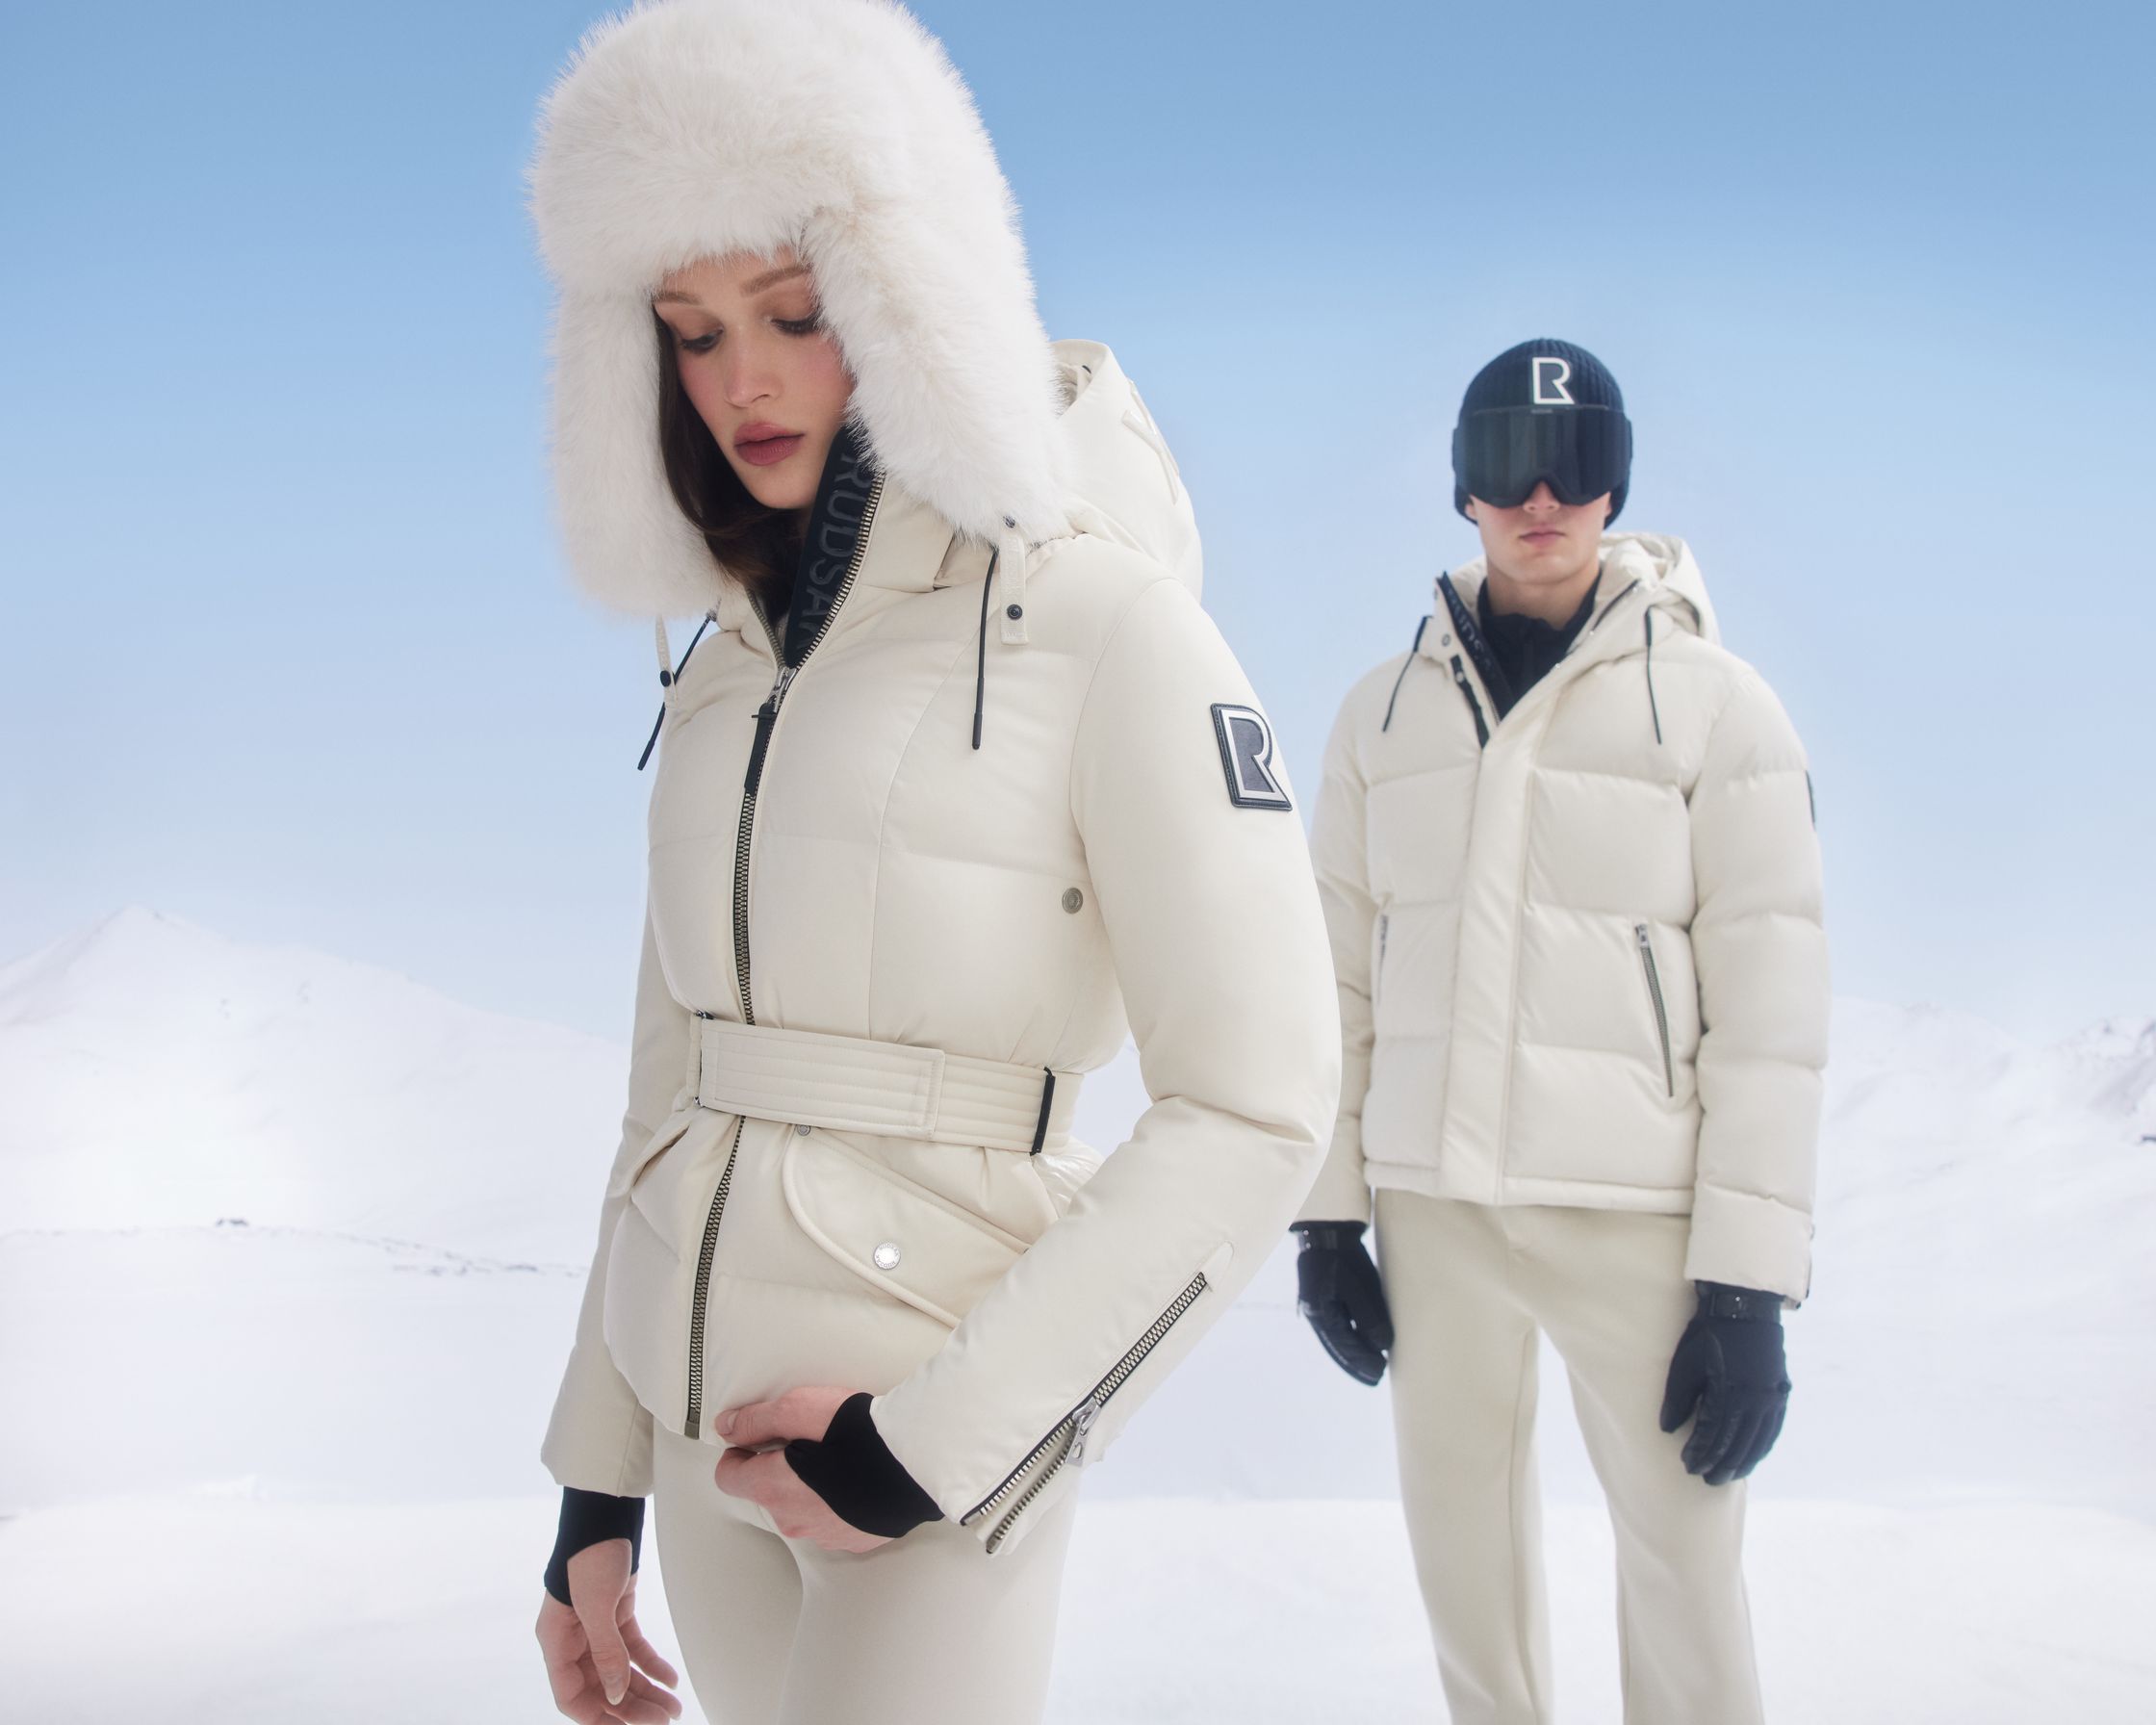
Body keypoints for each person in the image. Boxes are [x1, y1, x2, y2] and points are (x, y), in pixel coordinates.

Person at [523, 4, 1341, 1723]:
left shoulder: (1109, 625)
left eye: (793, 315)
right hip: (693, 1440)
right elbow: (671, 1079)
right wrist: (598, 1480)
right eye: (689, 332)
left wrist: (936, 1448)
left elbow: (1258, 1104)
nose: (739, 377)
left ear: (905, 296)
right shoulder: (724, 664)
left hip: (930, 1441)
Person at [1291, 339, 1828, 1724]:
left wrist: (1747, 1284)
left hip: (1633, 1215)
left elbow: (1772, 1009)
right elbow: (1334, 979)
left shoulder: (1720, 710)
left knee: (1683, 1568)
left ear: (1618, 480)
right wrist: (1325, 1218)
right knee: (1463, 1570)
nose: (1540, 495)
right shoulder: (1380, 715)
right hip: (1432, 1215)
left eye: (1576, 462)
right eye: (1502, 463)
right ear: (1458, 487)